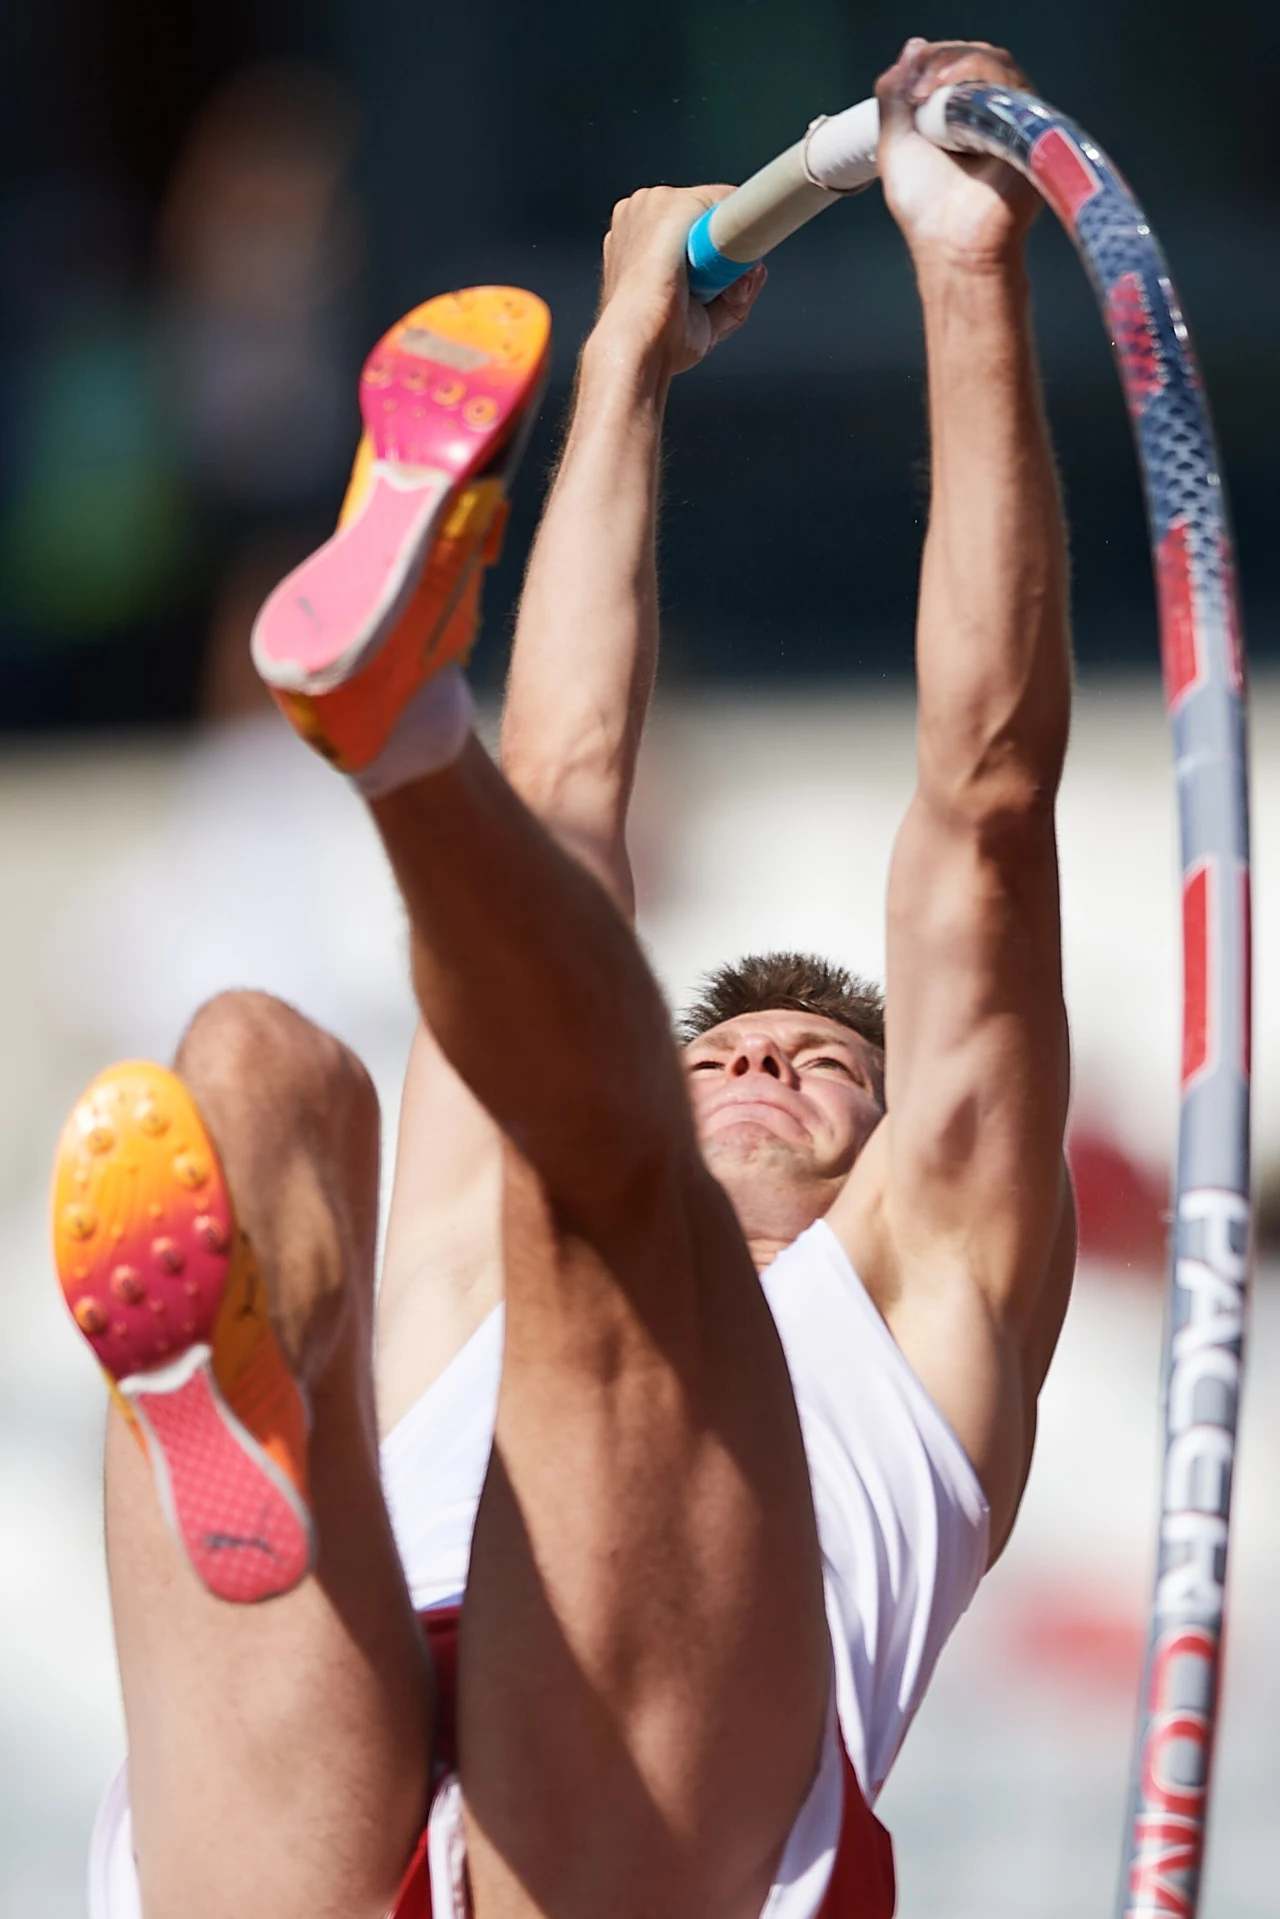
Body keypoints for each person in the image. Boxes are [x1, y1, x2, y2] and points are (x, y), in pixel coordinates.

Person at [53, 37, 1076, 1919]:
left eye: (817, 1068)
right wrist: (619, 360)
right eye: (740, 1044)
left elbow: (986, 796)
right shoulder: (480, 1245)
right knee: (255, 1065)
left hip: (643, 1839)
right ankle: (239, 1395)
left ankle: (397, 735)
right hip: (306, 1802)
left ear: (890, 1157)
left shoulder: (928, 1300)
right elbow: (580, 790)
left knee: (614, 1215)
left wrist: (968, 270)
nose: (768, 1062)